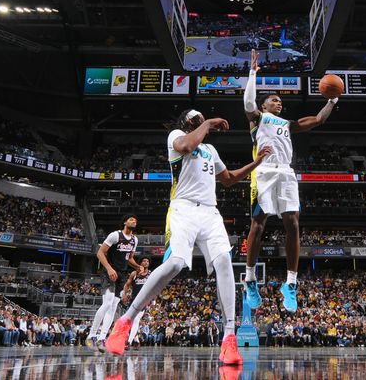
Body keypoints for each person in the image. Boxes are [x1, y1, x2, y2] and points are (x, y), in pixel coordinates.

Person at [106, 108, 272, 368]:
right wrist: (207, 123)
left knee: (225, 263)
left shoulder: (210, 151)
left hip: (210, 211)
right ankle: (126, 321)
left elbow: (228, 179)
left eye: (202, 118)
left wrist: (256, 164)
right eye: (196, 118)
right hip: (182, 208)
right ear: (186, 122)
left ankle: (229, 337)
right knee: (174, 264)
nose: (200, 121)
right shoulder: (177, 136)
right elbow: (186, 145)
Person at [242, 49, 337, 312]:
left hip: (285, 172)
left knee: (293, 224)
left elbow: (317, 120)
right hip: (263, 172)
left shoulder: (287, 123)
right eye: (274, 99)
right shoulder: (258, 118)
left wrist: (332, 100)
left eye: (280, 100)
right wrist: (252, 73)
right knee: (258, 225)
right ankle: (250, 279)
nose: (278, 102)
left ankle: (291, 284)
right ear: (264, 105)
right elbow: (248, 103)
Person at [88, 214, 145, 352]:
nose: (134, 221)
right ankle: (91, 335)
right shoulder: (115, 235)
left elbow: (129, 258)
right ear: (125, 222)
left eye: (135, 220)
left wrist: (137, 266)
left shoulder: (134, 240)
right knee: (107, 303)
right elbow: (100, 253)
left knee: (113, 307)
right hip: (109, 272)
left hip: (122, 274)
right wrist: (108, 268)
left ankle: (102, 338)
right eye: (131, 219)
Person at [122, 257, 152, 348]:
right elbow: (127, 284)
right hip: (133, 299)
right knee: (130, 321)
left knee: (136, 320)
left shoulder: (150, 274)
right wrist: (124, 294)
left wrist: (151, 299)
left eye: (147, 261)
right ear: (140, 263)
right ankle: (136, 341)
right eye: (144, 261)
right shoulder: (134, 273)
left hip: (144, 299)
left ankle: (129, 342)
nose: (146, 262)